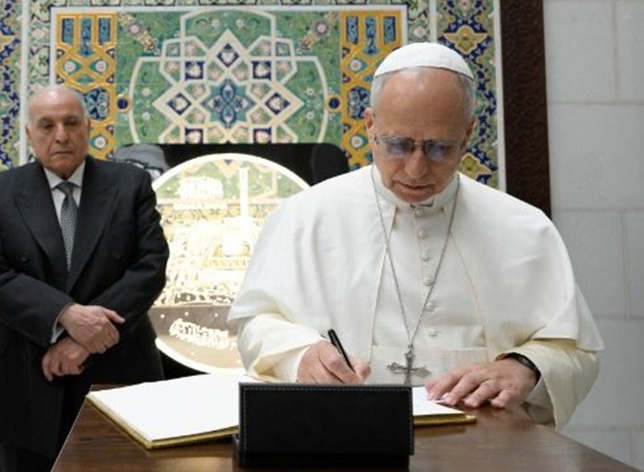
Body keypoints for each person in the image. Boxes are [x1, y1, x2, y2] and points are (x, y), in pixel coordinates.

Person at [228, 43, 604, 427]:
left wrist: (524, 367)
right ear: (370, 125)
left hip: (484, 445)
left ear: (468, 133)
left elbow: (574, 351)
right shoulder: (304, 217)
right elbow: (256, 324)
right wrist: (300, 355)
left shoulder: (524, 228)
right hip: (341, 438)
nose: (416, 169)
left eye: (439, 148)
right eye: (398, 145)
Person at [0, 85, 169, 471]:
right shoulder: (1, 191)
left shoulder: (129, 185)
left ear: (88, 127)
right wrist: (65, 315)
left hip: (119, 375)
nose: (60, 135)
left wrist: (86, 340)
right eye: (47, 125)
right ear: (29, 134)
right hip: (26, 382)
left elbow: (151, 265)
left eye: (71, 123)